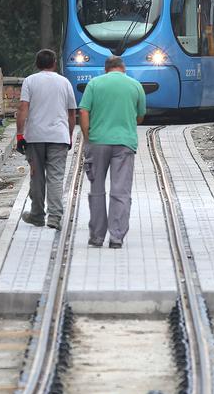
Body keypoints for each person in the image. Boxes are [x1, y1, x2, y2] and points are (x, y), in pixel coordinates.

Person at [78, 56, 145, 249]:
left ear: (105, 69)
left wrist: (87, 136)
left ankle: (97, 237)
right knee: (121, 190)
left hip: (97, 142)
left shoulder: (94, 84)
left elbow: (83, 112)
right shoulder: (135, 85)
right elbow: (140, 116)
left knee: (97, 189)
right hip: (124, 143)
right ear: (123, 68)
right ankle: (116, 237)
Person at [16, 48, 77, 230]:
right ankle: (54, 217)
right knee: (56, 177)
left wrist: (20, 134)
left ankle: (36, 215)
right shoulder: (64, 82)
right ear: (55, 63)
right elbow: (72, 113)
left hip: (35, 137)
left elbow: (23, 108)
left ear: (37, 64)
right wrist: (70, 134)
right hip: (59, 137)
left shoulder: (30, 81)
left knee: (36, 177)